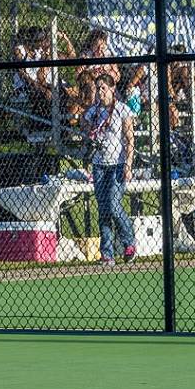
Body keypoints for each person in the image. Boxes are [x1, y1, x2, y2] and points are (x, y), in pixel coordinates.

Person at [82, 73, 137, 266]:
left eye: (103, 88)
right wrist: (89, 128)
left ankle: (129, 241)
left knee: (114, 205)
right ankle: (107, 253)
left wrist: (128, 165)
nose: (100, 91)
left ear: (112, 89)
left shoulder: (122, 110)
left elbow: (130, 140)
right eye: (98, 88)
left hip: (118, 164)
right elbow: (85, 125)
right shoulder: (94, 111)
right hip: (99, 165)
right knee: (104, 209)